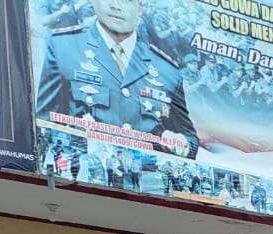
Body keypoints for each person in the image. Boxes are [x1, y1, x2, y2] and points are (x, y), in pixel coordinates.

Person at [35, 0, 198, 158]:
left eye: (127, 0)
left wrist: (181, 144)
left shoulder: (167, 70)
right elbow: (43, 123)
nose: (115, 5)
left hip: (147, 179)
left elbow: (190, 140)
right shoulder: (64, 47)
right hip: (80, 173)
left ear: (140, 8)